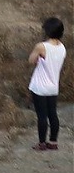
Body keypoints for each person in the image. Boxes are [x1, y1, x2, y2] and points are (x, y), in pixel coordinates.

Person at [28, 17, 66, 151]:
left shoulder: (41, 46)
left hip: (39, 86)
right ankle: (53, 142)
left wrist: (37, 57)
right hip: (53, 86)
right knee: (53, 114)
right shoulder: (62, 48)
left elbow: (31, 60)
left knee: (42, 116)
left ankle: (42, 143)